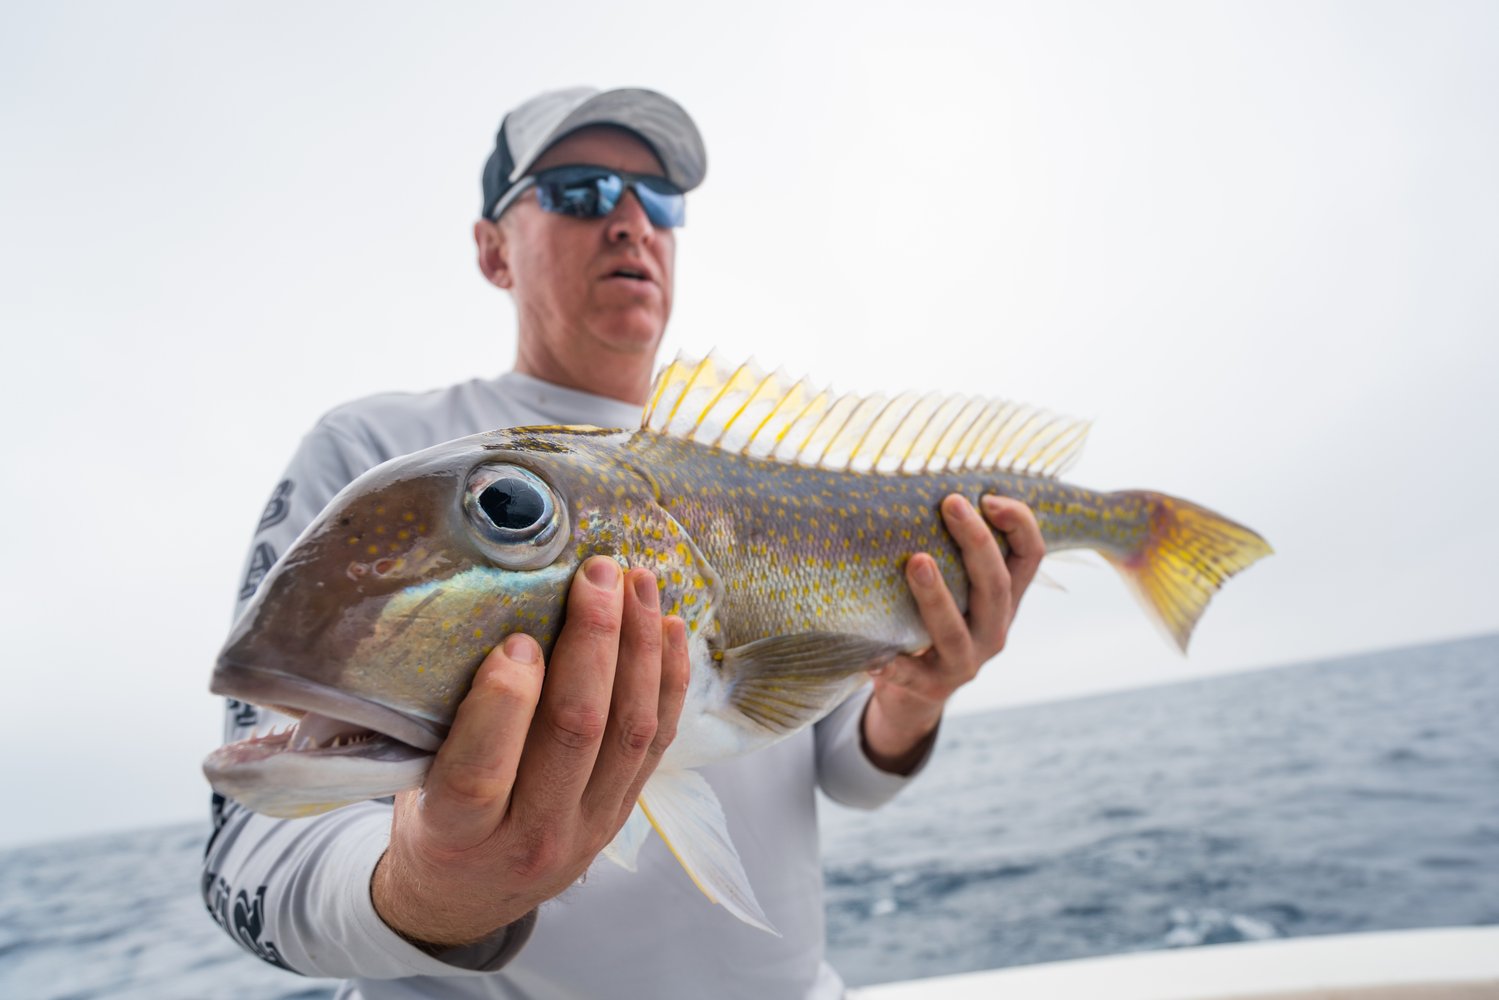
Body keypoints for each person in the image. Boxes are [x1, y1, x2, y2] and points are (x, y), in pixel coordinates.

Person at [203, 86, 1044, 1000]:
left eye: (660, 199)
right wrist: (435, 893)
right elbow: (252, 855)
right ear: (492, 250)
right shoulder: (378, 449)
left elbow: (848, 770)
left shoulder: (774, 473)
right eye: (578, 191)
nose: (630, 221)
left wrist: (916, 698)